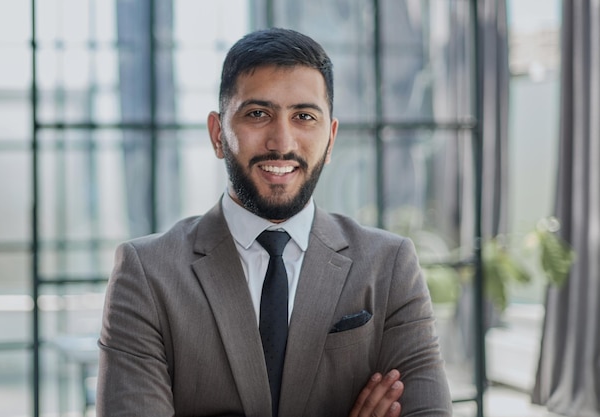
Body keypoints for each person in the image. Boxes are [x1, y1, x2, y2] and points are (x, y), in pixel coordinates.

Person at [97, 28, 452, 417]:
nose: (281, 141)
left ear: (331, 138)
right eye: (258, 114)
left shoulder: (389, 265)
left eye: (304, 116)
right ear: (218, 135)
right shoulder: (147, 273)